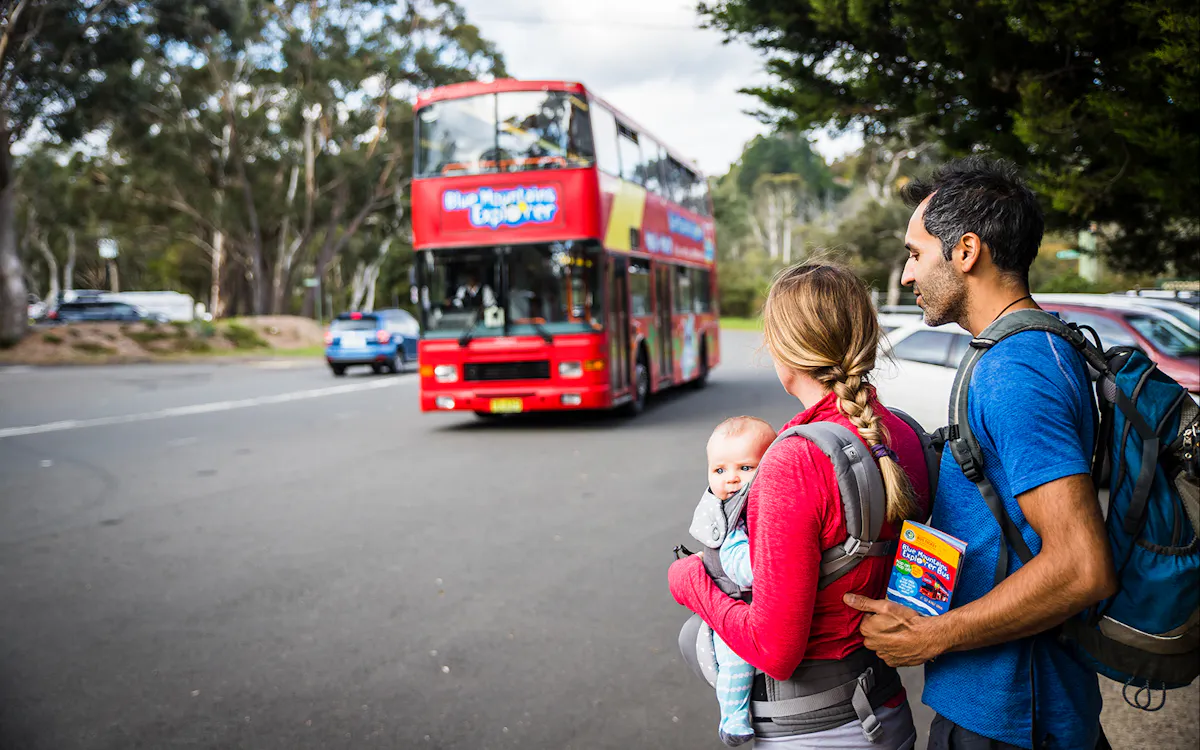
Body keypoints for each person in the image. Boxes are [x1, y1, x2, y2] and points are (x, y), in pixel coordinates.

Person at [841, 157, 1117, 749]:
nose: (908, 274)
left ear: (966, 251)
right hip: (1003, 704)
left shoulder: (1016, 370)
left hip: (1014, 715)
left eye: (916, 254)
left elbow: (1079, 565)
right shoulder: (1027, 349)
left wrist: (933, 637)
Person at [669, 263, 932, 749]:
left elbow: (775, 650)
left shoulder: (795, 460)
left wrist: (691, 585)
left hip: (816, 730)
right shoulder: (904, 435)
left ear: (783, 350)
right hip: (886, 708)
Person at [697, 416, 778, 746]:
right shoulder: (730, 516)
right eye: (720, 471)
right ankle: (732, 719)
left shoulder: (755, 505)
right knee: (737, 661)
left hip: (745, 603)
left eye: (745, 468)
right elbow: (741, 569)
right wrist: (780, 556)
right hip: (730, 607)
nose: (731, 479)